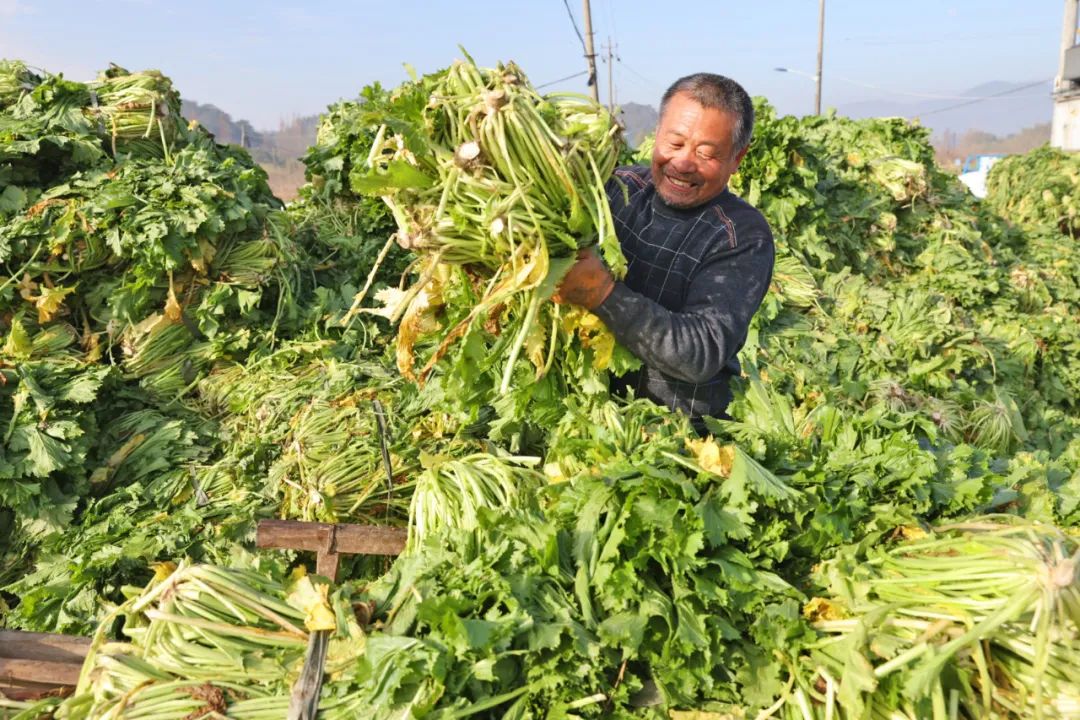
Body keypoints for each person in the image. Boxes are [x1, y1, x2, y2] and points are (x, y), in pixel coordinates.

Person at [554, 73, 774, 426]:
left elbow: (699, 352)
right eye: (674, 143)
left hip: (676, 429)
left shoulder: (741, 236)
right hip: (584, 410)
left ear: (737, 158)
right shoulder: (614, 189)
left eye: (706, 153)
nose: (684, 162)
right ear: (656, 135)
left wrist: (603, 294)